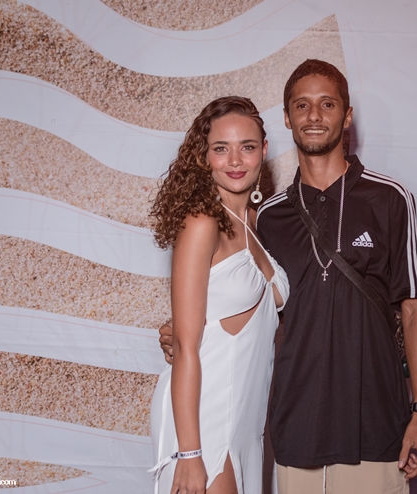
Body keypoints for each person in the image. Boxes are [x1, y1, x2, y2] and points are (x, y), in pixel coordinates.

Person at [162, 60, 417, 494]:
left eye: (327, 104)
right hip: (295, 424)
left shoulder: (389, 198)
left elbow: (415, 308)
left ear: (347, 116)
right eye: (302, 105)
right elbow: (237, 301)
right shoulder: (267, 217)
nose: (314, 115)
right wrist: (185, 333)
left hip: (375, 422)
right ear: (288, 118)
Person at [149, 96, 289, 494]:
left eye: (247, 146)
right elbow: (185, 345)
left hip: (246, 417)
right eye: (221, 149)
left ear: (264, 150)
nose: (235, 160)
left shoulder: (254, 222)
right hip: (203, 418)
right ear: (204, 156)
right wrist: (190, 454)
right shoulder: (202, 222)